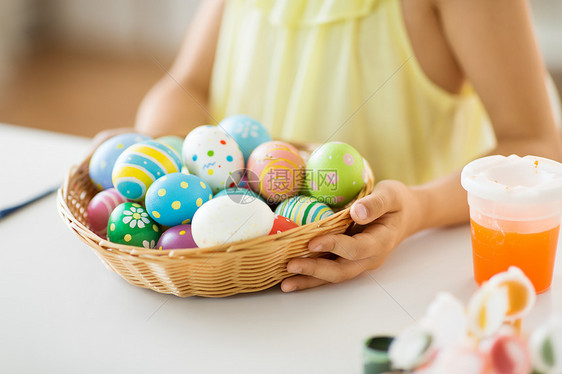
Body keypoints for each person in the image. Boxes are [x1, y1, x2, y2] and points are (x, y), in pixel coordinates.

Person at [131, 0, 562, 292]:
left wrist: (416, 208)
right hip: (227, 278)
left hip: (397, 283)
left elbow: (535, 141)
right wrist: (152, 157)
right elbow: (186, 84)